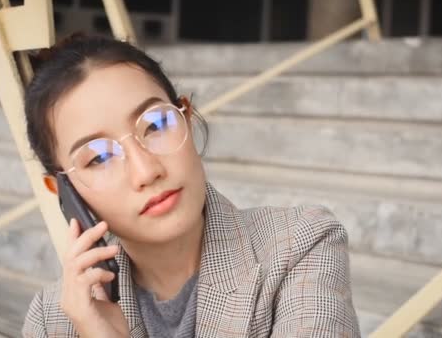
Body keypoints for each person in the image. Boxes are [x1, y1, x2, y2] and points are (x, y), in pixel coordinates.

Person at [21, 33, 360, 338]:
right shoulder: (53, 320)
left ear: (186, 116)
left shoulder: (301, 244)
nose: (146, 171)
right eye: (98, 158)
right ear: (62, 190)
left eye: (155, 124)